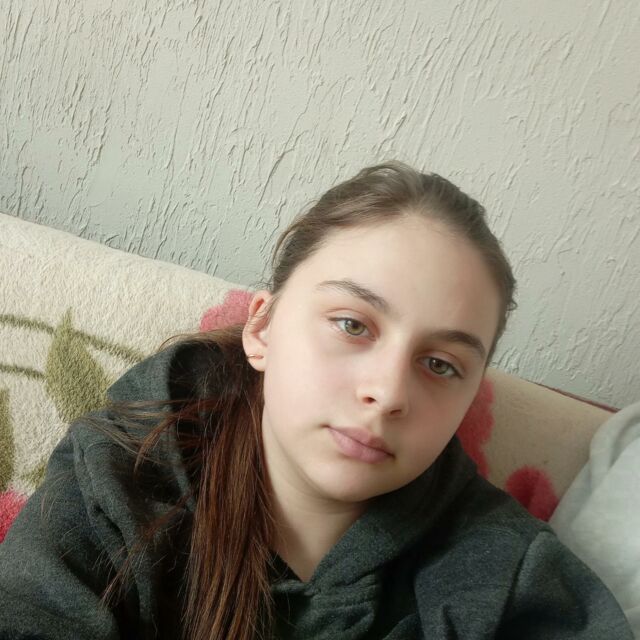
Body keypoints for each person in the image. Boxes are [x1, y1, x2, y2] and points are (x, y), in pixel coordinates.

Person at [0, 162, 633, 640]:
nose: (387, 394)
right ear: (262, 328)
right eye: (352, 325)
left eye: (440, 365)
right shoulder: (118, 472)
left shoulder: (508, 579)